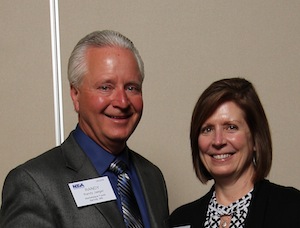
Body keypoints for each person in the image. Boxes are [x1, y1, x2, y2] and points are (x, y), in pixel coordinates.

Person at [0, 30, 169, 228]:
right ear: (75, 94)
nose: (122, 102)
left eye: (132, 87)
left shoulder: (152, 177)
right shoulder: (34, 184)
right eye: (105, 87)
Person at [169, 78, 300, 228]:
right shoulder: (179, 220)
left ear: (256, 138)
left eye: (231, 127)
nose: (218, 141)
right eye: (208, 129)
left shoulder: (292, 209)